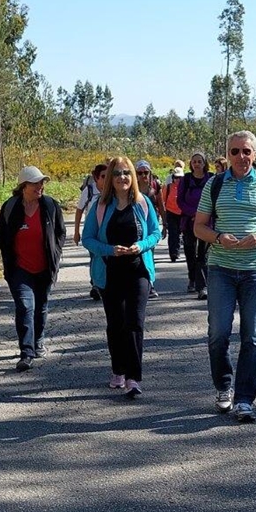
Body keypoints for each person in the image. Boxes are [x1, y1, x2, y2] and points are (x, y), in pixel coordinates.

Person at [194, 131, 256, 423]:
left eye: (246, 151)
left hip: (255, 270)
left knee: (252, 338)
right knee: (218, 333)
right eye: (235, 151)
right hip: (220, 268)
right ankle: (224, 387)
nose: (241, 157)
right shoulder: (215, 184)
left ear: (255, 154)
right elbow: (199, 226)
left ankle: (245, 400)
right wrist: (218, 237)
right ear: (228, 154)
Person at [82, 156, 162, 397]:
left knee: (135, 323)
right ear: (110, 178)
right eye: (117, 173)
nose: (122, 177)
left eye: (126, 173)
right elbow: (88, 239)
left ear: (133, 176)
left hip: (138, 271)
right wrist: (109, 250)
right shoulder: (100, 206)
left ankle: (133, 378)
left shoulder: (142, 203)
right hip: (110, 272)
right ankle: (118, 369)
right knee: (116, 324)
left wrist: (141, 245)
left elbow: (155, 233)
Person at [0, 166, 66, 372]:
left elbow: (60, 232)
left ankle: (38, 341)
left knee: (41, 306)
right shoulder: (10, 207)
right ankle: (26, 352)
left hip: (45, 267)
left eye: (42, 182)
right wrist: (10, 256)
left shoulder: (50, 205)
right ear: (23, 186)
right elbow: (0, 234)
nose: (40, 186)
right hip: (19, 268)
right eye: (35, 183)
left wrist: (55, 253)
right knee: (25, 306)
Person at [178, 151, 212, 299]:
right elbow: (180, 201)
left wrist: (203, 216)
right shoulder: (186, 180)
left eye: (199, 161)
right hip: (189, 222)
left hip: (207, 223)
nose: (197, 164)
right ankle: (192, 278)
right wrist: (193, 214)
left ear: (204, 163)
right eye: (194, 162)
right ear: (191, 164)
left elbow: (215, 200)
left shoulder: (211, 179)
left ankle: (202, 286)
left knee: (202, 255)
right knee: (190, 251)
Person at [74, 163, 108, 300]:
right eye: (103, 176)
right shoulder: (89, 191)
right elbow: (79, 210)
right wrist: (76, 232)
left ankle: (104, 283)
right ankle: (96, 285)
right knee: (95, 257)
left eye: (108, 176)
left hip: (107, 230)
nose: (106, 179)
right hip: (92, 231)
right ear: (96, 178)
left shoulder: (112, 190)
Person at [135, 159, 164, 299]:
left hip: (151, 228)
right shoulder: (131, 189)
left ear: (150, 173)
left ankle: (150, 284)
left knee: (149, 254)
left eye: (145, 172)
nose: (143, 175)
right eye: (140, 173)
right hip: (136, 228)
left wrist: (165, 225)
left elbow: (161, 205)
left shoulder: (155, 188)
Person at [162, 162, 185, 262]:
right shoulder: (168, 187)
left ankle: (182, 251)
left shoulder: (186, 187)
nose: (178, 180)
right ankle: (174, 253)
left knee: (182, 234)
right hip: (171, 213)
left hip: (183, 213)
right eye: (176, 177)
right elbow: (163, 199)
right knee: (173, 233)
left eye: (180, 178)